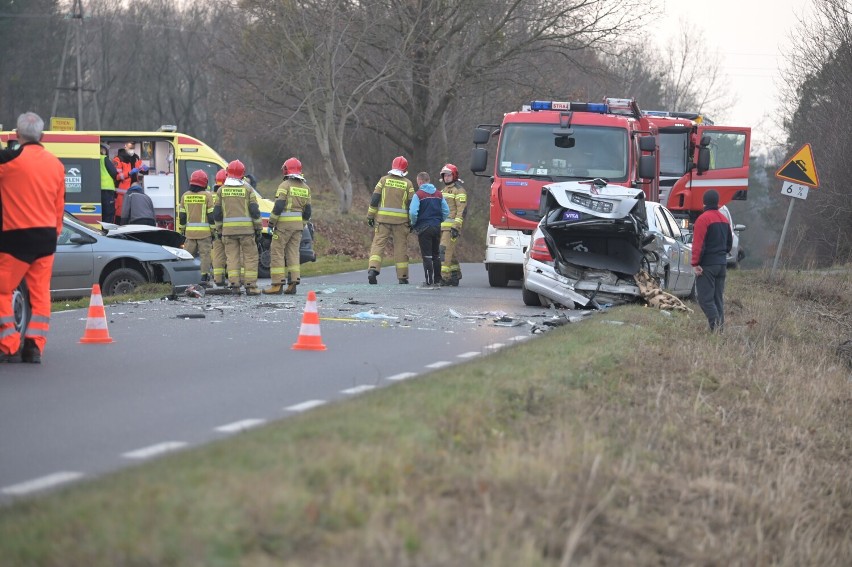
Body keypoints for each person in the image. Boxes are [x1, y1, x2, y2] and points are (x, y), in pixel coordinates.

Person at [0, 112, 65, 363]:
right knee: (40, 294)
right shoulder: (56, 165)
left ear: (17, 135)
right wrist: (54, 233)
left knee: (3, 291)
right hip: (47, 238)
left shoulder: (9, 161)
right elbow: (59, 206)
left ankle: (7, 343)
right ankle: (34, 347)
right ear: (43, 136)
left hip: (15, 239)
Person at [213, 159, 262, 295]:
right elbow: (254, 210)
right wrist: (258, 227)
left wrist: (219, 228)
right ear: (243, 174)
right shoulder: (248, 189)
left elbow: (217, 213)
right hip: (247, 231)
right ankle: (251, 286)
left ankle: (234, 285)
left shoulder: (221, 191)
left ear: (227, 173)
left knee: (232, 257)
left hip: (228, 232)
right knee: (250, 257)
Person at [263, 157, 312, 295]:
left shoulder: (285, 186)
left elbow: (278, 206)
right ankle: (293, 282)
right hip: (297, 227)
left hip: (283, 227)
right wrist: (302, 224)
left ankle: (277, 285)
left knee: (277, 252)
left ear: (286, 170)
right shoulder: (306, 188)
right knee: (293, 253)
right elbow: (308, 211)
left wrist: (271, 222)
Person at [367, 156, 415, 284]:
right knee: (400, 248)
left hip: (383, 221)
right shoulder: (408, 184)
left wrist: (370, 216)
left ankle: (373, 269)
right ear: (405, 169)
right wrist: (412, 222)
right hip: (401, 223)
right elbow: (412, 206)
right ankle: (403, 276)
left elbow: (374, 200)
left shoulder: (383, 181)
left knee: (378, 245)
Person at [691, 189, 732, 332]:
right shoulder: (724, 219)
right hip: (721, 264)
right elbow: (729, 244)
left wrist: (696, 263)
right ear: (717, 202)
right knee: (717, 299)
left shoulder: (703, 219)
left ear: (704, 202)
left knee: (704, 299)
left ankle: (715, 326)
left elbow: (698, 245)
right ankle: (720, 330)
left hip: (707, 265)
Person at [409, 172, 449, 287]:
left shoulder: (419, 195)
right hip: (436, 227)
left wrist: (413, 222)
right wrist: (439, 220)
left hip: (424, 228)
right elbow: (446, 211)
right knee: (436, 254)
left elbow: (412, 212)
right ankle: (437, 279)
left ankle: (428, 280)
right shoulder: (439, 194)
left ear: (420, 181)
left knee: (427, 255)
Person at [179, 169, 216, 287]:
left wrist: (182, 229)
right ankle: (204, 279)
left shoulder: (185, 196)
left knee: (187, 256)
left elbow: (182, 216)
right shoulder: (207, 196)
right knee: (205, 256)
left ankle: (184, 278)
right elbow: (211, 216)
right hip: (204, 235)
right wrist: (213, 230)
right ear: (204, 183)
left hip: (190, 234)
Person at [438, 163, 467, 286]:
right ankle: (455, 275)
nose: (446, 177)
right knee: (450, 252)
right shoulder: (443, 191)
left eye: (449, 175)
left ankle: (444, 277)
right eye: (445, 175)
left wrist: (456, 227)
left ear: (454, 175)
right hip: (442, 227)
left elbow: (462, 210)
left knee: (444, 251)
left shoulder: (459, 191)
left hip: (451, 228)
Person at [112, 142, 141, 224]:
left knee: (132, 213)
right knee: (120, 214)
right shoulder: (117, 159)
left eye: (133, 148)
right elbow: (117, 176)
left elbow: (141, 167)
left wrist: (144, 169)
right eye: (130, 148)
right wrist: (129, 173)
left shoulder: (135, 158)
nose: (132, 150)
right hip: (122, 192)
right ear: (125, 147)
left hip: (134, 190)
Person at [210, 169, 228, 286]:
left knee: (218, 255)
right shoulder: (227, 195)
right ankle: (234, 279)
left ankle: (218, 279)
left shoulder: (210, 196)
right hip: (228, 230)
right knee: (232, 254)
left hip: (215, 231)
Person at [99, 144, 119, 223]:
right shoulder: (104, 158)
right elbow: (114, 172)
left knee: (102, 213)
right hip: (107, 189)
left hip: (98, 189)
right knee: (109, 213)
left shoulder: (95, 159)